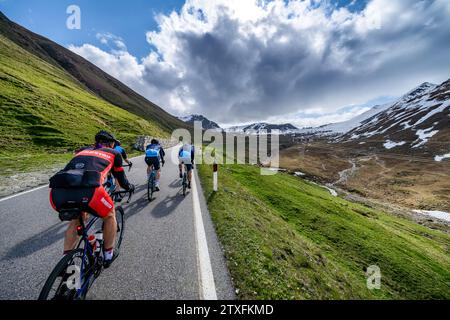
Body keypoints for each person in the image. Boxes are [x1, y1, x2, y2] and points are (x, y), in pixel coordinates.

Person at [49, 130, 134, 268]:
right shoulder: (114, 153)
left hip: (58, 192)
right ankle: (108, 254)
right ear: (111, 144)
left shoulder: (82, 150)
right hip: (90, 191)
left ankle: (65, 262)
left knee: (76, 220)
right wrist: (129, 187)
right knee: (110, 214)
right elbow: (121, 178)